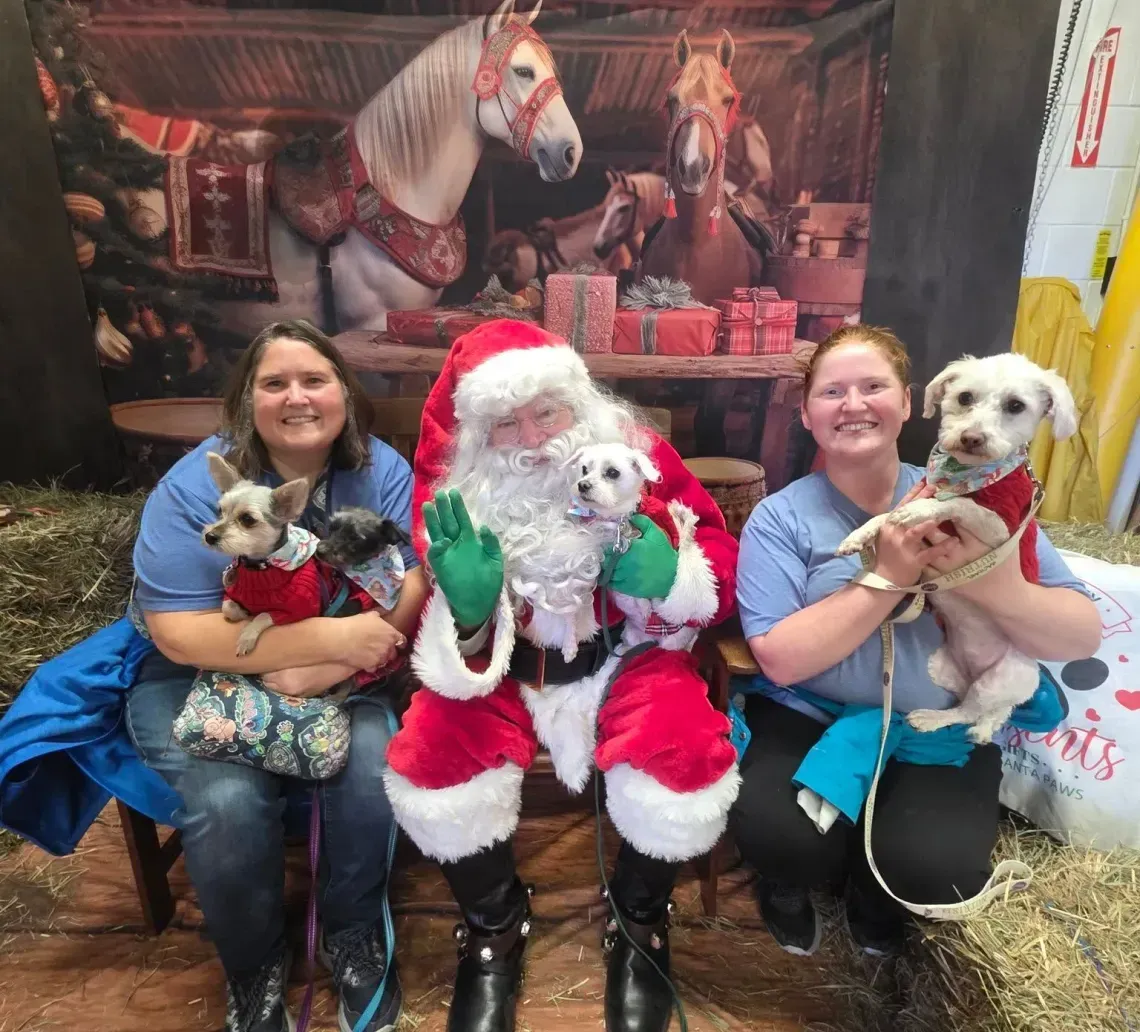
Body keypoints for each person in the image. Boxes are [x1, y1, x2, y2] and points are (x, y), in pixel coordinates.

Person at [383, 319, 740, 1032]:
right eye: (506, 423)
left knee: (681, 747)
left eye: (546, 411)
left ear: (577, 403)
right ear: (480, 436)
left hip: (624, 655)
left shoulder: (638, 458)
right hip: (505, 673)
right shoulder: (459, 495)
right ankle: (493, 928)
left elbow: (719, 556)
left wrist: (671, 578)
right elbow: (442, 620)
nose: (534, 436)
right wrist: (473, 607)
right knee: (433, 756)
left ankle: (640, 923)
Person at [730, 324, 1100, 957]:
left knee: (935, 871)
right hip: (813, 713)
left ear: (907, 402)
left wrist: (995, 583)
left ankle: (875, 891)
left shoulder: (983, 496)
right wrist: (889, 576)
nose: (853, 405)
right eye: (831, 391)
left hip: (941, 722)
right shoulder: (781, 517)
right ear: (806, 413)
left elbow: (1081, 633)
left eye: (873, 387)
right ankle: (794, 880)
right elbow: (780, 659)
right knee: (778, 836)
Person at [125, 320, 427, 1032]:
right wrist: (327, 641)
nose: (297, 397)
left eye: (315, 379)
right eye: (274, 383)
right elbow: (179, 630)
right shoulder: (198, 486)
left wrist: (332, 665)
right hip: (200, 674)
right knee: (227, 802)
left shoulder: (379, 471)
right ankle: (254, 965)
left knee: (370, 772)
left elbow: (407, 583)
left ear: (344, 397)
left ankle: (353, 935)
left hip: (345, 668)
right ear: (247, 401)